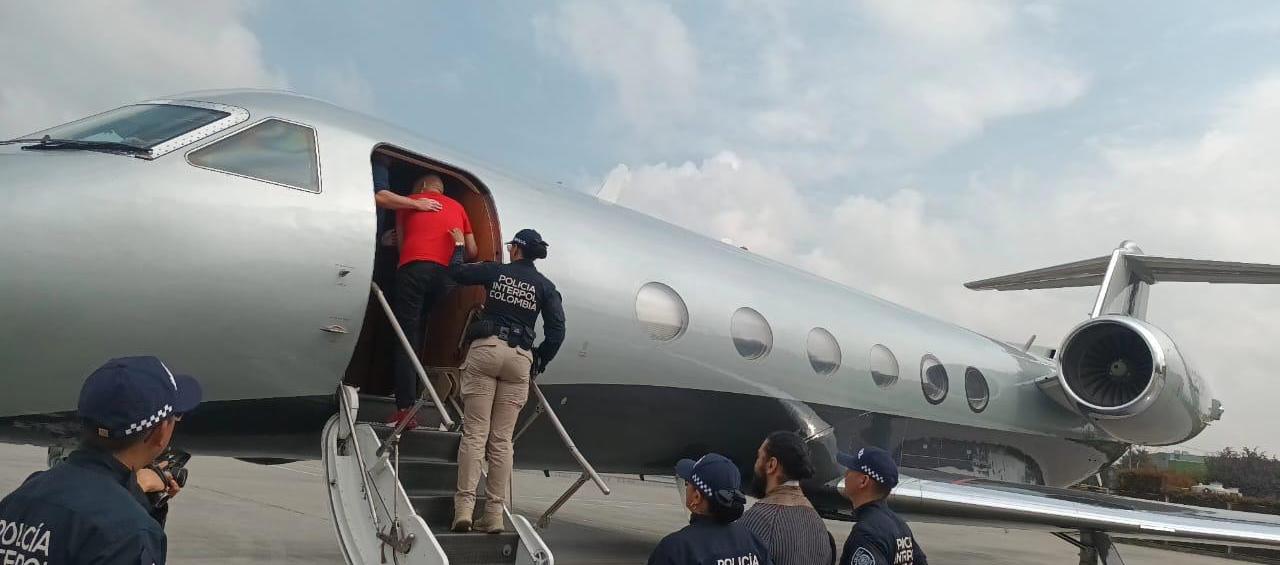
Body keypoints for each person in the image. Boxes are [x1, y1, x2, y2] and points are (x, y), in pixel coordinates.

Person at [0, 356, 203, 565]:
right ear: (160, 433)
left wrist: (134, 499)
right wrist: (130, 510)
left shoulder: (23, 496)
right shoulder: (129, 533)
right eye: (176, 417)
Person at [448, 228, 565, 533]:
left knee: (475, 434)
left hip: (486, 350)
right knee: (501, 442)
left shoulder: (496, 272)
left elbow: (458, 273)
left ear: (515, 250)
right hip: (519, 361)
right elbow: (557, 331)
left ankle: (464, 508)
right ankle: (494, 515)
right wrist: (539, 359)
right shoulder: (545, 286)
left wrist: (459, 245)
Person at [387, 173, 477, 428]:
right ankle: (419, 389)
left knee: (405, 334)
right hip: (446, 276)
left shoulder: (410, 201)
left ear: (423, 186)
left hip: (414, 269)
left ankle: (405, 408)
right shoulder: (459, 208)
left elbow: (403, 245)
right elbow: (472, 251)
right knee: (422, 326)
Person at [647, 453, 772, 565]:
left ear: (696, 497)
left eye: (688, 484)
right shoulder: (753, 542)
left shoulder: (676, 549)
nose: (686, 488)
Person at [741, 431, 836, 565]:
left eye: (759, 457)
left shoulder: (754, 521)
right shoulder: (818, 524)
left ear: (771, 465)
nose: (755, 464)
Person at [837, 447, 927, 565]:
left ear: (863, 481)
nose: (846, 473)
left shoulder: (866, 534)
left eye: (851, 469)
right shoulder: (901, 526)